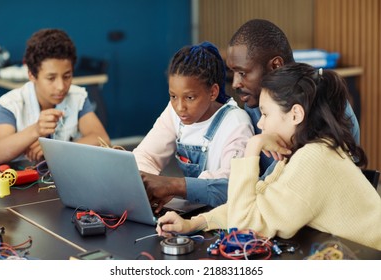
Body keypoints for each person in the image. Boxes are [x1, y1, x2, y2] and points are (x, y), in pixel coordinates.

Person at [156, 62, 381, 251]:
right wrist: (193, 223)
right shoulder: (306, 150)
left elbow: (243, 224)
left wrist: (252, 148)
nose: (261, 123)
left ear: (295, 114)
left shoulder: (314, 159)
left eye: (265, 113)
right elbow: (256, 203)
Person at [226, 19, 360, 177]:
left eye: (242, 73)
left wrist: (254, 146)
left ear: (276, 65)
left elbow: (269, 188)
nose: (235, 84)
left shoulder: (322, 106)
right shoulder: (254, 101)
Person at [133, 42, 253, 211]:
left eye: (189, 98)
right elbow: (146, 155)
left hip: (221, 217)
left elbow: (230, 185)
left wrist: (172, 186)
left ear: (213, 92)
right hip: (190, 210)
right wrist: (145, 185)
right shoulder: (175, 112)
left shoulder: (237, 123)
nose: (180, 107)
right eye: (173, 96)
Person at [0, 29, 110, 165]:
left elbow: (103, 140)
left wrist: (54, 150)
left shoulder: (77, 97)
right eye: (51, 78)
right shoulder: (10, 104)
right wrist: (35, 130)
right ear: (31, 75)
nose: (61, 86)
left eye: (67, 76)